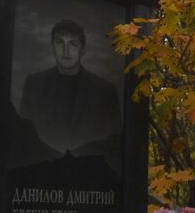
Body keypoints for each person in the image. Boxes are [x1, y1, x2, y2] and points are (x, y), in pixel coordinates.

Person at [17, 18, 121, 155]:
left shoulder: (105, 91)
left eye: (73, 44)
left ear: (82, 50)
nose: (66, 51)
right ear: (52, 46)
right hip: (41, 170)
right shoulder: (33, 84)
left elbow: (113, 144)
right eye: (60, 42)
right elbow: (22, 138)